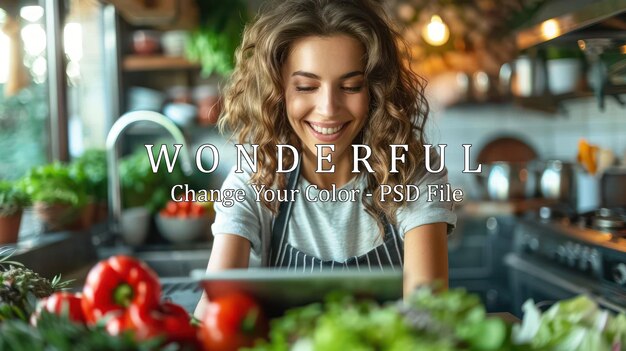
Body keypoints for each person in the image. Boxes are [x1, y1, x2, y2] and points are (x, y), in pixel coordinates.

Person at [195, 0, 456, 317]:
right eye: (306, 86)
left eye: (351, 86)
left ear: (375, 90)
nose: (329, 108)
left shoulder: (412, 171)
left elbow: (427, 313)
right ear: (278, 90)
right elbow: (212, 314)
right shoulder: (256, 175)